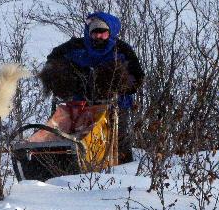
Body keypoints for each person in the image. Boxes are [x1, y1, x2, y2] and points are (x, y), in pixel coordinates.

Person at [39, 11, 144, 163]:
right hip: (81, 103)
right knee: (77, 135)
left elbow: (138, 75)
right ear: (89, 33)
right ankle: (72, 164)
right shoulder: (76, 47)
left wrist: (123, 88)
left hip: (116, 104)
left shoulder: (121, 50)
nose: (99, 37)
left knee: (118, 137)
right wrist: (58, 77)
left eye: (103, 33)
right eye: (95, 33)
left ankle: (124, 168)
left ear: (110, 33)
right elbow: (54, 58)